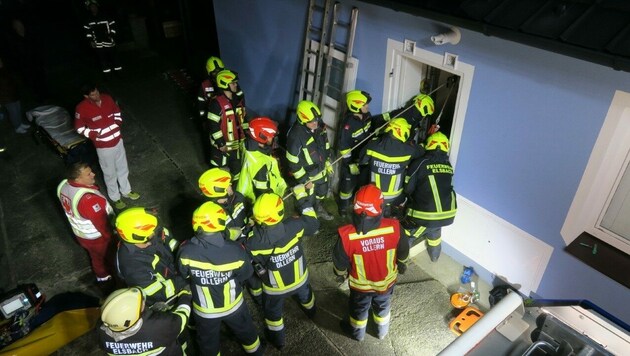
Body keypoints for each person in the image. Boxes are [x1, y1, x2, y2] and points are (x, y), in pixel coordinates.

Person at [178, 201, 264, 356]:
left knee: (208, 344)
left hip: (205, 312)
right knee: (247, 333)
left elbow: (184, 274)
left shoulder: (185, 250)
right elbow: (246, 273)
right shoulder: (235, 250)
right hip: (234, 306)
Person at [244, 187, 319, 350]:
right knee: (306, 296)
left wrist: (252, 228)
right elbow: (313, 224)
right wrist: (301, 196)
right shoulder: (294, 225)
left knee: (273, 315)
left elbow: (250, 258)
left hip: (274, 289)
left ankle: (278, 340)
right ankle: (312, 312)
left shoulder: (253, 242)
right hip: (300, 278)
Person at [333, 184, 409, 341]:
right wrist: (401, 263)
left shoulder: (346, 235)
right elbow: (403, 251)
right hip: (386, 284)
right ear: (380, 207)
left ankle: (357, 334)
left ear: (355, 206)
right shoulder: (394, 227)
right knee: (383, 308)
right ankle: (381, 333)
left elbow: (339, 263)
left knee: (359, 311)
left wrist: (341, 275)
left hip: (360, 287)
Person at [75, 83, 140, 209]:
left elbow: (116, 111)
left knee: (123, 168)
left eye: (97, 92)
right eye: (93, 94)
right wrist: (93, 134)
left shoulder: (107, 98)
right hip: (104, 147)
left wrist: (118, 122)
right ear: (86, 96)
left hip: (118, 141)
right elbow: (79, 128)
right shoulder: (81, 108)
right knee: (110, 173)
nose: (97, 95)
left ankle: (126, 191)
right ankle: (115, 198)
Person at [57, 162, 116, 287]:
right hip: (98, 238)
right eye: (89, 174)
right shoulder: (89, 200)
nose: (93, 174)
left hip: (82, 236)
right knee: (109, 257)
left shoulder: (63, 185)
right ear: (78, 179)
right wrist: (113, 238)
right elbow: (103, 224)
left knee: (96, 257)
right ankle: (110, 280)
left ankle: (102, 277)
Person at [115, 207, 187, 307]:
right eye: (152, 233)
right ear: (138, 238)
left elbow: (169, 240)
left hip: (173, 271)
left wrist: (185, 253)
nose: (155, 233)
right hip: (168, 296)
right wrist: (185, 279)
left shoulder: (151, 231)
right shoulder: (133, 267)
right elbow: (159, 293)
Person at [403, 131, 457, 262]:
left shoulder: (420, 163)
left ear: (428, 145)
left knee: (407, 234)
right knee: (434, 232)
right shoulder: (448, 165)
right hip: (448, 214)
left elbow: (408, 188)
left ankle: (400, 259)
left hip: (425, 215)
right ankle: (434, 257)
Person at [337, 90, 387, 217]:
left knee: (362, 183)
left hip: (364, 158)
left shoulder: (367, 116)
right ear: (355, 106)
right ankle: (343, 207)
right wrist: (350, 164)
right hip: (352, 162)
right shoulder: (347, 125)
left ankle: (358, 203)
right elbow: (343, 147)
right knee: (346, 187)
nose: (367, 107)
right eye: (365, 105)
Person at [359, 118, 423, 217]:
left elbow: (362, 160)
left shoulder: (373, 145)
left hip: (374, 195)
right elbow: (421, 153)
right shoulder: (408, 150)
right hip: (396, 196)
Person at [98, 287, 192, 355]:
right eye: (141, 303)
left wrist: (151, 312)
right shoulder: (159, 326)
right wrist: (185, 296)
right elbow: (182, 317)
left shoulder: (102, 331)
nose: (143, 301)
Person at [286, 100, 334, 220]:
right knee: (308, 199)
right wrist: (304, 180)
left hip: (321, 170)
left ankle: (319, 210)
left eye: (316, 120)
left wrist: (327, 160)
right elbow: (292, 162)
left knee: (322, 193)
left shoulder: (319, 126)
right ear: (302, 119)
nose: (315, 123)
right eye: (311, 122)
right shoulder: (295, 135)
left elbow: (326, 144)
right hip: (308, 175)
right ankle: (308, 220)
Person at [206, 69, 247, 182]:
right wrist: (221, 143)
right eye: (233, 83)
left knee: (237, 170)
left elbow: (243, 118)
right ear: (224, 84)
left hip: (236, 146)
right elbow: (213, 124)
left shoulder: (238, 100)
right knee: (220, 172)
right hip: (221, 147)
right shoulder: (216, 103)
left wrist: (246, 134)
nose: (236, 85)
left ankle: (234, 193)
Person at [236, 116, 287, 205]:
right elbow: (263, 193)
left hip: (244, 191)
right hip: (256, 200)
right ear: (261, 137)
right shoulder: (260, 163)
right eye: (271, 136)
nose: (273, 138)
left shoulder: (248, 144)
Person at [198, 167, 249, 234]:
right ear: (219, 190)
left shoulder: (237, 196)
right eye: (229, 185)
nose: (231, 186)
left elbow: (249, 210)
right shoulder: (210, 215)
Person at [83, 0, 121, 73]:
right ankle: (107, 76)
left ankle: (119, 73)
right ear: (89, 9)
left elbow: (113, 26)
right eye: (91, 7)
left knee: (115, 58)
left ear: (97, 7)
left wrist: (111, 35)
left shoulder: (105, 16)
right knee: (103, 61)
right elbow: (87, 32)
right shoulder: (88, 20)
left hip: (109, 42)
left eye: (94, 6)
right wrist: (91, 41)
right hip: (98, 44)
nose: (93, 8)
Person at [0, 55, 30, 136]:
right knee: (13, 112)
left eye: (0, 61)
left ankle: (20, 123)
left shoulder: (4, 70)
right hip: (6, 98)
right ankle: (17, 127)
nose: (0, 62)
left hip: (13, 94)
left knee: (18, 110)